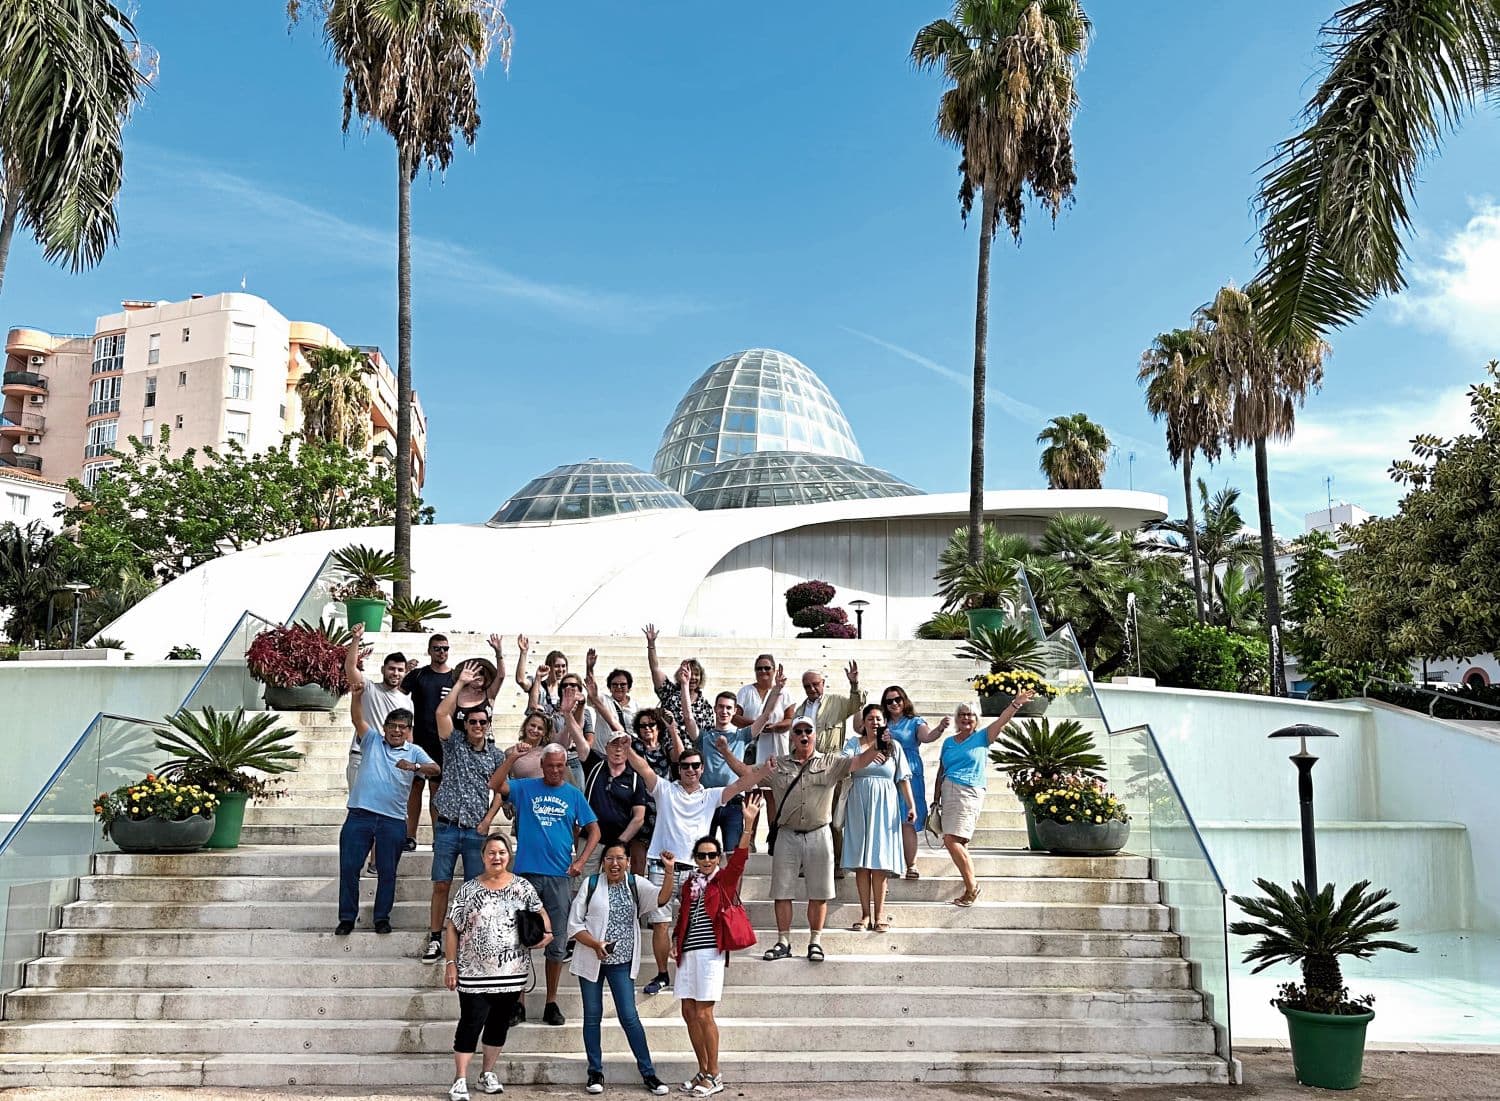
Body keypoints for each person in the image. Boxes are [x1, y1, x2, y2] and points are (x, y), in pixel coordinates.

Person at [623, 731, 772, 998]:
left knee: (693, 924)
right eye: (685, 766)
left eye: (695, 766)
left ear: (702, 769)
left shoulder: (712, 795)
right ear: (678, 769)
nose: (690, 770)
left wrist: (765, 771)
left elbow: (742, 783)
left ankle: (687, 972)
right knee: (660, 923)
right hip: (661, 866)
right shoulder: (664, 789)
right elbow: (643, 768)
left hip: (696, 872)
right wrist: (628, 749)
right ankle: (661, 974)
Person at [479, 743, 599, 1027]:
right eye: (551, 765)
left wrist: (581, 860)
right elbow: (495, 784)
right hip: (525, 876)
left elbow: (594, 829)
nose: (556, 770)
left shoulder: (573, 794)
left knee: (557, 942)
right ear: (542, 765)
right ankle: (518, 1003)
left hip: (558, 876)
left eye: (561, 765)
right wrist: (512, 759)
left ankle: (551, 1001)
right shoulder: (525, 787)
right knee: (521, 938)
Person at [758, 717, 886, 962]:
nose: (804, 735)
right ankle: (783, 941)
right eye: (799, 731)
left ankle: (815, 941)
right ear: (791, 736)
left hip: (819, 833)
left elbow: (858, 761)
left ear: (815, 735)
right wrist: (724, 752)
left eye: (808, 731)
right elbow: (746, 773)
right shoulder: (777, 765)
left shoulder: (830, 762)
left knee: (819, 892)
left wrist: (878, 744)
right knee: (782, 891)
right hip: (787, 834)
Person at [664, 792, 763, 1099]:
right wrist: (675, 940)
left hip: (710, 952)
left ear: (718, 858)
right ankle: (703, 1069)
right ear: (695, 859)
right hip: (688, 953)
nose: (707, 860)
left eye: (712, 856)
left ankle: (715, 1073)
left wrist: (747, 824)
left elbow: (741, 858)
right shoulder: (689, 882)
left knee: (705, 1013)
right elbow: (683, 916)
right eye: (702, 856)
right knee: (687, 1010)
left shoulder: (724, 880)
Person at [441, 833, 551, 1101]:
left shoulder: (522, 887)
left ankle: (487, 1073)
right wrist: (451, 964)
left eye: (501, 852)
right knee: (471, 1022)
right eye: (491, 852)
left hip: (511, 973)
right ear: (482, 857)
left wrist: (545, 935)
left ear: (509, 855)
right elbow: (452, 927)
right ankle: (460, 1078)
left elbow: (541, 913)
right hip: (473, 973)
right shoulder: (468, 889)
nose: (496, 857)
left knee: (499, 1024)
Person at [566, 842, 672, 1096]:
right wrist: (595, 944)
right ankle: (595, 1071)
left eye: (620, 858)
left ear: (628, 861)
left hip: (622, 962)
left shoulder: (635, 884)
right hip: (592, 959)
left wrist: (669, 872)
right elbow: (573, 924)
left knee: (629, 1016)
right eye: (609, 858)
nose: (615, 863)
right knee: (592, 1016)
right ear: (603, 862)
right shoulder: (591, 884)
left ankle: (648, 1073)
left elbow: (662, 898)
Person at [421, 662, 506, 964]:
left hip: (474, 830)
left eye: (483, 722)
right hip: (446, 826)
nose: (478, 726)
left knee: (473, 888)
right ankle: (434, 937)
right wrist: (460, 684)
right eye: (473, 722)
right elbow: (441, 714)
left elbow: (501, 791)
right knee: (441, 883)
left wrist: (487, 821)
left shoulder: (496, 755)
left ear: (488, 724)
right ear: (467, 724)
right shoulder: (454, 744)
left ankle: (471, 938)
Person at [335, 702, 438, 936]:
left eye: (403, 727)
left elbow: (435, 769)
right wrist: (357, 695)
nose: (397, 731)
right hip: (360, 815)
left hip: (392, 820)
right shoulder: (371, 741)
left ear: (409, 731)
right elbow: (356, 718)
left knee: (387, 871)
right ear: (384, 727)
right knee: (349, 867)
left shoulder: (414, 750)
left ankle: (382, 917)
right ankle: (347, 918)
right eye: (392, 726)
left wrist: (415, 766)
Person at [402, 633, 506, 852]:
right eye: (437, 648)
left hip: (480, 749)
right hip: (451, 745)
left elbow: (501, 677)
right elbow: (442, 713)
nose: (442, 652)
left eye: (445, 648)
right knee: (427, 787)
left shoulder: (489, 694)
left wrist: (499, 653)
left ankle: (454, 832)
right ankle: (424, 834)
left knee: (448, 789)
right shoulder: (456, 692)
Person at [670, 663, 783, 854]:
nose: (724, 711)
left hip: (733, 803)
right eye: (721, 707)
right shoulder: (704, 737)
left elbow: (765, 716)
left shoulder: (742, 735)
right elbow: (688, 718)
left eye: (728, 708)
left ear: (733, 711)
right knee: (703, 854)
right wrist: (684, 684)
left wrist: (777, 689)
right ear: (714, 709)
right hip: (707, 802)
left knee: (733, 855)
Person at [935, 692, 1034, 906]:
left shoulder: (982, 737)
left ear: (976, 719)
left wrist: (1015, 704)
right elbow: (941, 769)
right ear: (956, 718)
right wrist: (936, 798)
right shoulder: (948, 743)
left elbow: (1002, 720)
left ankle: (972, 888)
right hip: (948, 790)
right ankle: (968, 888)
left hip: (969, 791)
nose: (966, 718)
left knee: (951, 840)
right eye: (962, 714)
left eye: (970, 715)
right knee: (958, 841)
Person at [841, 704, 916, 932]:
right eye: (870, 718)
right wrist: (872, 749)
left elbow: (903, 778)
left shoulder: (895, 746)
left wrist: (911, 805)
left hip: (885, 803)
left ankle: (880, 914)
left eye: (879, 719)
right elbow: (845, 767)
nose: (875, 722)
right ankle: (865, 914)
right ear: (863, 722)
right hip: (858, 802)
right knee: (862, 863)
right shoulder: (853, 744)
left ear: (885, 722)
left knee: (879, 860)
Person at [791, 662, 864, 870]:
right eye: (807, 686)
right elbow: (792, 741)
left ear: (823, 683)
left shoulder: (836, 702)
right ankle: (808, 863)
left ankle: (837, 863)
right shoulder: (799, 710)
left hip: (831, 767)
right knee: (807, 817)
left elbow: (856, 704)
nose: (812, 689)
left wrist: (854, 684)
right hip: (806, 768)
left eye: (815, 684)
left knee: (834, 819)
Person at [880, 684, 949, 880]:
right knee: (888, 819)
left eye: (897, 699)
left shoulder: (915, 721)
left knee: (907, 821)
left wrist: (940, 728)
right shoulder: (881, 722)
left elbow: (927, 737)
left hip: (909, 772)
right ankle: (892, 863)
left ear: (904, 700)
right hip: (887, 772)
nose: (894, 703)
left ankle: (911, 865)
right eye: (889, 701)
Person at [341, 622, 409, 790]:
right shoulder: (368, 688)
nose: (395, 673)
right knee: (359, 808)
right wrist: (356, 639)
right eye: (391, 668)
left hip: (390, 759)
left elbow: (409, 733)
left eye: (400, 670)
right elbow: (350, 667)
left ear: (405, 673)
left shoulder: (407, 701)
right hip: (363, 756)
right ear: (383, 669)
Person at [580, 727, 651, 877]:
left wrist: (620, 842)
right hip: (589, 839)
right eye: (614, 745)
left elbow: (639, 817)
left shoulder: (635, 778)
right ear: (606, 748)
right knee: (581, 885)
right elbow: (579, 740)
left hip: (618, 842)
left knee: (615, 886)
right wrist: (568, 713)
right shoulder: (594, 765)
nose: (618, 750)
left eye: (623, 746)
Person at [643, 623, 713, 734]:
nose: (692, 678)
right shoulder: (670, 692)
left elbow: (709, 733)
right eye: (688, 673)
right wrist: (651, 644)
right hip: (672, 745)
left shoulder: (705, 706)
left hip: (694, 749)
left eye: (696, 674)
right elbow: (655, 669)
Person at [731, 653, 793, 756]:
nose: (763, 671)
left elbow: (791, 720)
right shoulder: (745, 691)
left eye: (767, 668)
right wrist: (757, 724)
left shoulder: (784, 692)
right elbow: (734, 717)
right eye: (759, 668)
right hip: (750, 750)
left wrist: (775, 726)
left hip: (777, 749)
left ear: (774, 670)